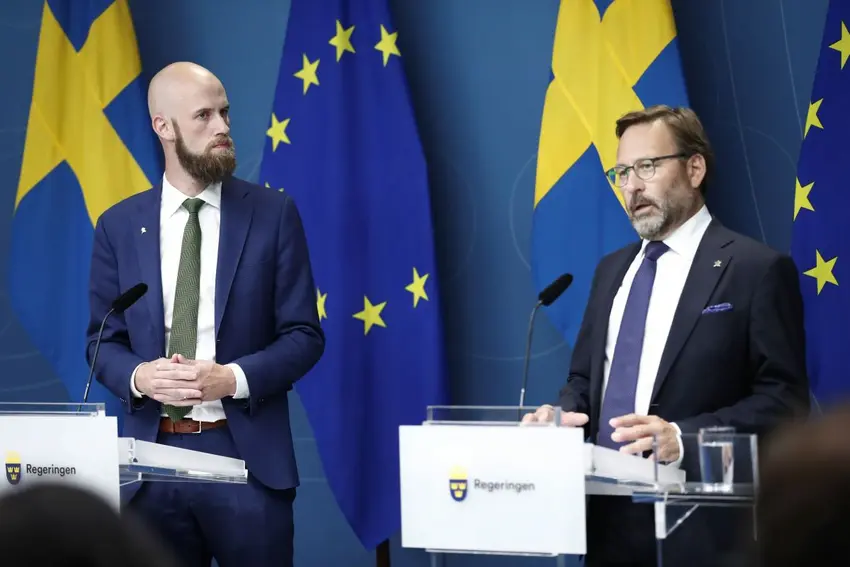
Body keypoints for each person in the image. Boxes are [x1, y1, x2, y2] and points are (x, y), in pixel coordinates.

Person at [523, 105, 809, 566]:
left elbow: (784, 401)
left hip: (701, 530)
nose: (632, 186)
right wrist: (560, 418)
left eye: (647, 167)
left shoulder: (755, 269)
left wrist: (684, 438)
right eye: (622, 173)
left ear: (694, 169)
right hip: (604, 524)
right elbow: (584, 381)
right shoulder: (611, 271)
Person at [86, 61, 325, 567]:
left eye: (225, 113)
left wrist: (231, 379)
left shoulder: (273, 214)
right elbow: (101, 342)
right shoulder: (118, 226)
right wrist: (140, 376)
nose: (222, 127)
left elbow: (304, 335)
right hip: (149, 466)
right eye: (203, 116)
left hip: (246, 461)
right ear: (163, 127)